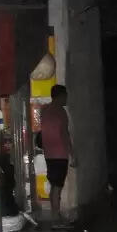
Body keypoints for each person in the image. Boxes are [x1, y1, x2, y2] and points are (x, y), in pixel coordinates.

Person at [39, 85, 72, 221]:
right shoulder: (60, 112)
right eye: (65, 95)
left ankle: (55, 214)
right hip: (60, 153)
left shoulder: (45, 110)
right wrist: (72, 153)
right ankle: (56, 217)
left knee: (54, 185)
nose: (67, 98)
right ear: (60, 96)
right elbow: (64, 134)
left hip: (49, 153)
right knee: (58, 186)